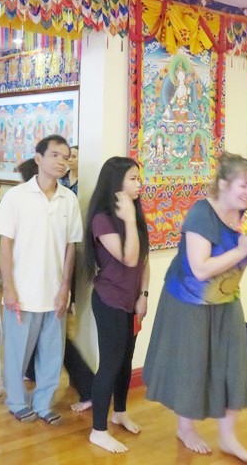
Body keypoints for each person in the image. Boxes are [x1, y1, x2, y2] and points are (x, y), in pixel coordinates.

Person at [143, 152, 247, 463]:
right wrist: (241, 248)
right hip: (188, 301)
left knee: (233, 366)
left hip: (226, 299)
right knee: (192, 364)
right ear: (223, 184)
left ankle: (228, 437)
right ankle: (185, 428)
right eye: (244, 185)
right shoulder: (201, 213)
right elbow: (200, 268)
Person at [0, 134, 83, 424]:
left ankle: (44, 403)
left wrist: (65, 288)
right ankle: (17, 401)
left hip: (54, 291)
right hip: (22, 291)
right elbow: (5, 245)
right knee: (18, 353)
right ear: (38, 158)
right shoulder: (16, 197)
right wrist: (9, 288)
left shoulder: (69, 199)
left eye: (65, 157)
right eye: (55, 155)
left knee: (52, 353)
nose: (61, 161)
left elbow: (71, 247)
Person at [84, 157, 150, 453]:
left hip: (131, 300)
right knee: (110, 365)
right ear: (116, 182)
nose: (139, 184)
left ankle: (120, 412)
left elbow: (144, 259)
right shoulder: (103, 218)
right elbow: (129, 258)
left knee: (125, 361)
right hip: (109, 300)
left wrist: (143, 295)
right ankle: (98, 430)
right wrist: (129, 220)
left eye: (139, 178)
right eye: (133, 178)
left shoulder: (134, 212)